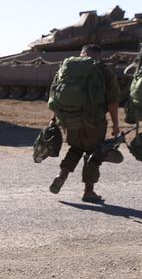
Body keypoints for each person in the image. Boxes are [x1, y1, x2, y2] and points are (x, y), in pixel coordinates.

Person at [48, 44, 122, 203]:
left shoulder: (67, 68)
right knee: (94, 153)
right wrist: (116, 125)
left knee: (75, 148)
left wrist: (54, 118)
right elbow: (113, 100)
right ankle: (89, 192)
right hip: (94, 121)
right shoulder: (103, 70)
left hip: (70, 119)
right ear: (98, 55)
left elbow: (56, 95)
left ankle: (61, 175)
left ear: (82, 54)